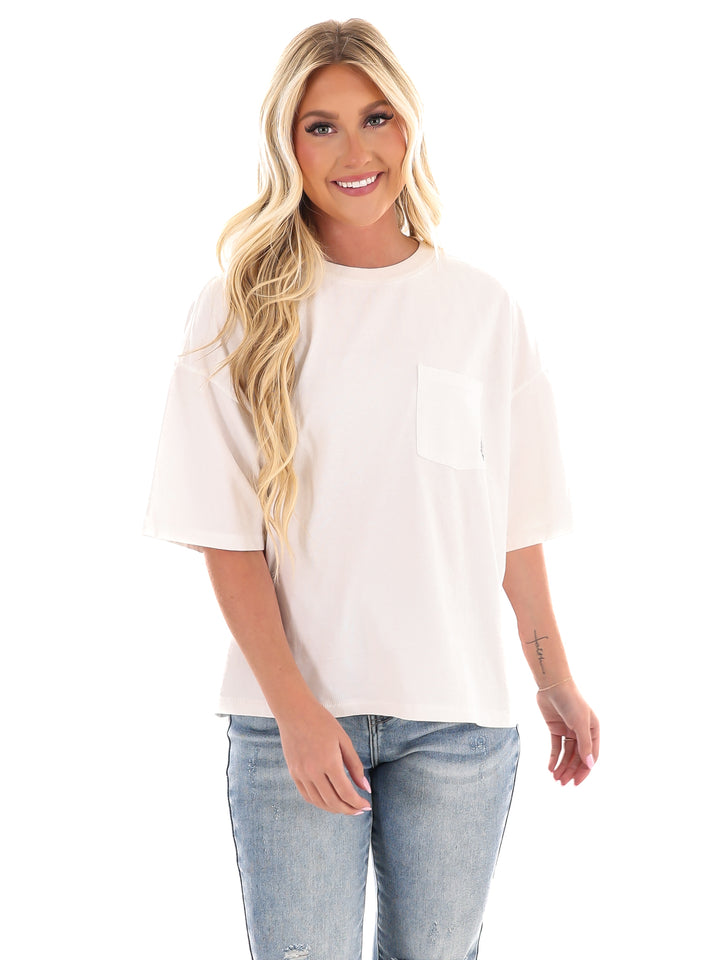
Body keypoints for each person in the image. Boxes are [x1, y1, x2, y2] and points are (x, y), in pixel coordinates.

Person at [143, 17, 600, 960]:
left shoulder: (483, 308)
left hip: (459, 723)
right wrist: (296, 713)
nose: (356, 152)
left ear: (410, 127)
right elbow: (227, 538)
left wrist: (555, 680)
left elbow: (511, 525)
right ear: (287, 142)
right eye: (322, 126)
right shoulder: (236, 310)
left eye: (376, 118)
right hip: (293, 722)